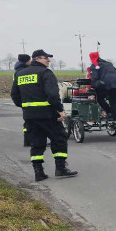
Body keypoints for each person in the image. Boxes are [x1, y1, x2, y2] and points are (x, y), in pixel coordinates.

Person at [11, 49, 78, 181]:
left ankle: (39, 172)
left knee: (36, 143)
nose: (48, 60)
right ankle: (61, 168)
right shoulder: (45, 73)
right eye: (45, 58)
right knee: (59, 139)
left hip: (30, 116)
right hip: (47, 114)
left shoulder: (20, 74)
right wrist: (60, 110)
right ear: (36, 59)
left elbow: (14, 95)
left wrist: (26, 106)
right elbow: (53, 95)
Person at [87, 51, 116, 121]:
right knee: (113, 101)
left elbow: (94, 78)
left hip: (107, 84)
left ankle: (109, 112)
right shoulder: (108, 64)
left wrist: (93, 85)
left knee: (99, 98)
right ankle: (115, 119)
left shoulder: (94, 66)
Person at [14, 54, 31, 147]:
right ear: (26, 61)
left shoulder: (18, 70)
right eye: (30, 60)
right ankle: (29, 141)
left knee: (27, 121)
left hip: (23, 99)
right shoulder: (23, 71)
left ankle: (27, 141)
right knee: (29, 122)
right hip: (26, 99)